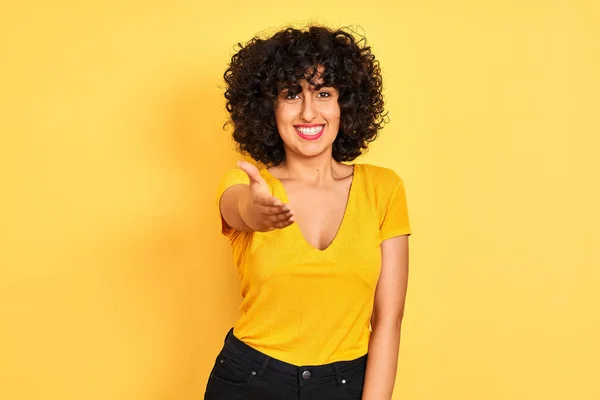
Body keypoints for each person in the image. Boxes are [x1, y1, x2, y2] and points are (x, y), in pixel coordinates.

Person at [205, 25, 411, 400]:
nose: (308, 111)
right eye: (291, 94)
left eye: (324, 93)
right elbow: (239, 210)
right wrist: (257, 212)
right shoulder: (247, 185)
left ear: (344, 105)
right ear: (269, 106)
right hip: (250, 379)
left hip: (347, 383)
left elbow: (388, 320)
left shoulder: (384, 189)